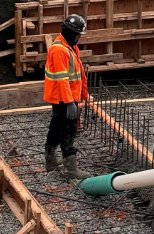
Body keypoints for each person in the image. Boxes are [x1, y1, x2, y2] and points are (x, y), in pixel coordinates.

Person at [44, 13, 91, 180]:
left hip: (65, 97)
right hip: (63, 98)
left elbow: (77, 76)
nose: (79, 38)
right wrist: (70, 102)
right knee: (69, 130)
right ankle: (70, 168)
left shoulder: (70, 47)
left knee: (57, 126)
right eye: (78, 34)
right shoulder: (59, 50)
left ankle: (50, 161)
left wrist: (84, 95)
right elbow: (63, 79)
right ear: (71, 33)